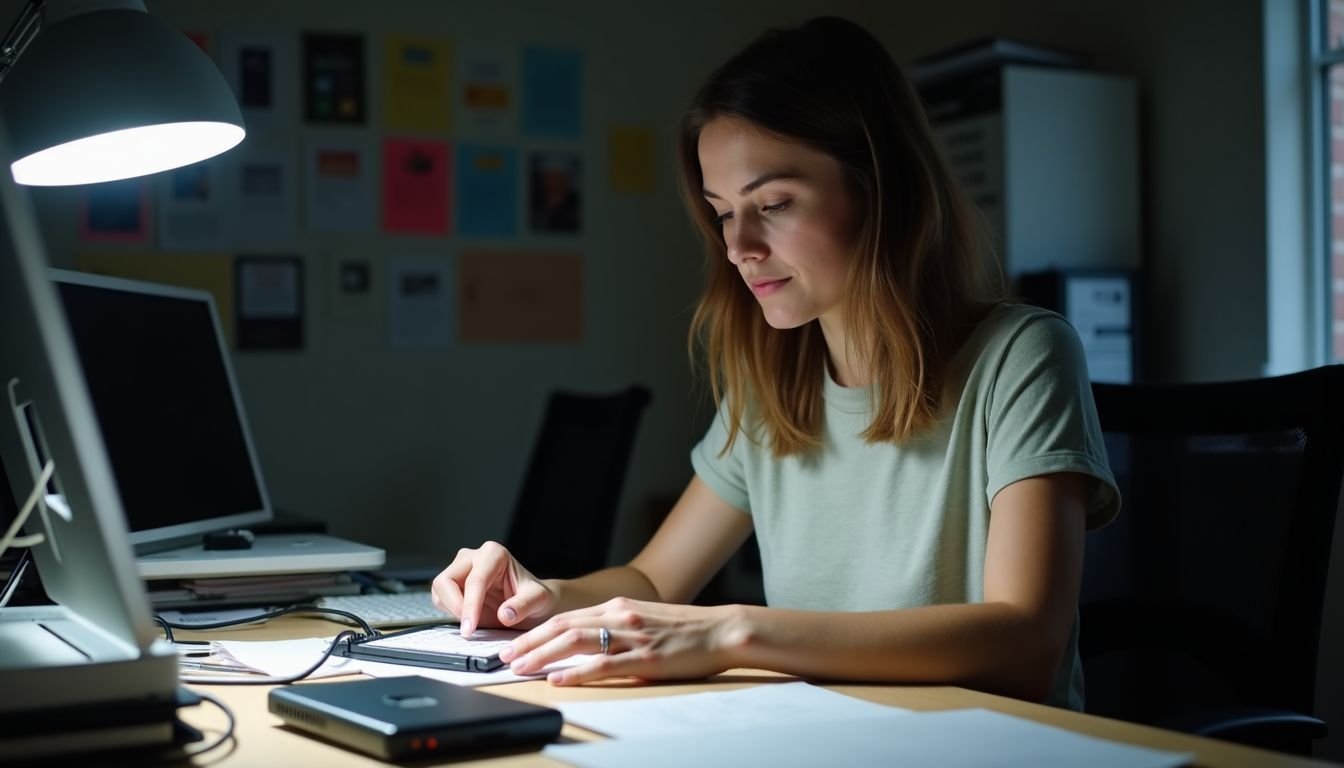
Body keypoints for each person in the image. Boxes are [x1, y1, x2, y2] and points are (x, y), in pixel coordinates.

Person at [431, 16, 1119, 710]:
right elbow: (653, 580)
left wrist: (733, 632)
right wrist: (541, 598)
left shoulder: (1021, 357)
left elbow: (1028, 641)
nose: (739, 247)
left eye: (775, 203)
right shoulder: (772, 382)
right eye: (723, 212)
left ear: (882, 187)